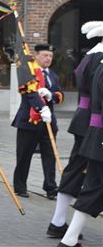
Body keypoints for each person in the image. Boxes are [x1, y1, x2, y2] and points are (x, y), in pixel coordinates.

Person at [51, 21, 103, 245]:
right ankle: (61, 226)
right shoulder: (97, 59)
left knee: (83, 174)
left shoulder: (91, 58)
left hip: (88, 121)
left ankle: (61, 224)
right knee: (87, 177)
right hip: (94, 124)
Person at [12, 43, 64, 199]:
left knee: (50, 155)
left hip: (48, 122)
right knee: (24, 155)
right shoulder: (29, 73)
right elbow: (28, 93)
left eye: (50, 56)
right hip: (29, 120)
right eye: (45, 55)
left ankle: (50, 187)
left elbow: (60, 94)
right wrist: (41, 107)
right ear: (36, 56)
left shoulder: (52, 75)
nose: (48, 59)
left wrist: (50, 95)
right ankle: (20, 186)